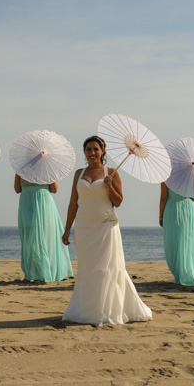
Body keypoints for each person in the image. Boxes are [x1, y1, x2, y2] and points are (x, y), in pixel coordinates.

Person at [61, 136, 151, 326]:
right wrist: (67, 229)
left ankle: (106, 311)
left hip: (105, 226)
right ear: (84, 152)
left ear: (103, 151)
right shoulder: (78, 174)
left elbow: (118, 202)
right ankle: (86, 310)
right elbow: (73, 203)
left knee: (106, 269)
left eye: (96, 149)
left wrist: (109, 186)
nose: (92, 153)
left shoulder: (111, 173)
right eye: (88, 149)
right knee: (87, 269)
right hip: (84, 228)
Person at [15, 174, 73, 283]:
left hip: (27, 201)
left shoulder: (21, 168)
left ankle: (34, 272)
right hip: (42, 200)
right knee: (48, 238)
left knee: (30, 240)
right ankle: (47, 271)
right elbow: (54, 189)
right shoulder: (46, 168)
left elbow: (17, 189)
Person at [159, 182, 194, 286]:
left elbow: (163, 198)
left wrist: (161, 216)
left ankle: (179, 273)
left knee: (173, 242)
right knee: (188, 241)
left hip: (172, 208)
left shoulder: (166, 178)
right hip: (188, 208)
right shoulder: (190, 177)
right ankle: (189, 271)